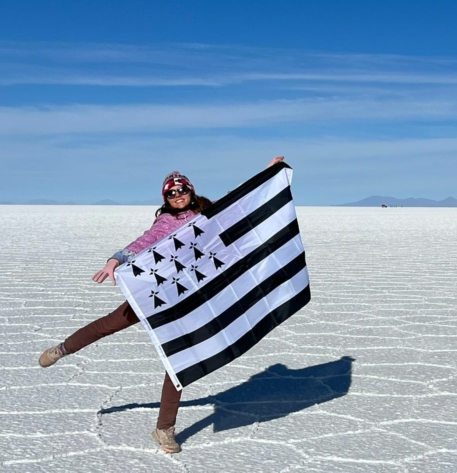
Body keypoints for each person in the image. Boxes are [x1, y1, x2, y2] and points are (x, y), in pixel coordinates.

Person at [38, 156, 285, 453]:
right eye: (171, 193)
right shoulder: (165, 221)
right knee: (109, 324)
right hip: (159, 292)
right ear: (165, 198)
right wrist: (117, 259)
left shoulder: (208, 212)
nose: (178, 196)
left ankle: (164, 428)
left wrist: (267, 175)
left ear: (191, 191)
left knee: (179, 358)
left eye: (182, 190)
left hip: (193, 297)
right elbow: (145, 241)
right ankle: (62, 349)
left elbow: (239, 203)